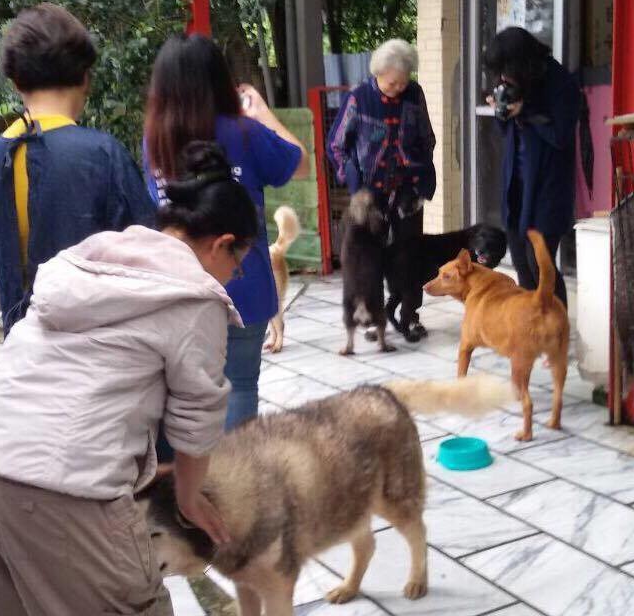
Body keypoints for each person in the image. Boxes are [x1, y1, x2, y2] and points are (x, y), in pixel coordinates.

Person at [0, 141, 257, 615]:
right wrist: (190, 498)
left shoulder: (88, 259)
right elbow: (198, 419)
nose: (232, 277)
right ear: (221, 243)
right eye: (237, 263)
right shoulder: (195, 298)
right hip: (56, 482)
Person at [143, 34, 305, 431]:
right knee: (241, 385)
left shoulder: (154, 140)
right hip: (242, 281)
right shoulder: (244, 132)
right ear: (220, 79)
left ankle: (192, 483)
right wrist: (261, 111)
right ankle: (233, 484)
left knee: (183, 394)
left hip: (176, 288)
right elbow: (298, 162)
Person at [0, 2, 156, 333]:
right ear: (85, 78)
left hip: (23, 356)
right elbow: (150, 257)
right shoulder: (103, 154)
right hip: (94, 358)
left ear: (16, 82)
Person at [483, 26, 580, 307]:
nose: (502, 78)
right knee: (521, 265)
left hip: (548, 189)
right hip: (517, 186)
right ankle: (534, 327)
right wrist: (503, 112)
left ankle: (557, 327)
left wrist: (525, 111)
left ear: (522, 64)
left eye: (505, 71)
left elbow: (560, 136)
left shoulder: (561, 84)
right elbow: (505, 134)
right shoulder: (516, 83)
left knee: (541, 265)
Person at [327, 38, 436, 243]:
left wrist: (419, 175)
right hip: (368, 194)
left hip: (407, 190)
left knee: (407, 257)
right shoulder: (358, 97)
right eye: (392, 83)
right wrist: (353, 182)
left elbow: (427, 138)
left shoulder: (414, 94)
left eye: (403, 82)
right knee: (369, 260)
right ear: (378, 72)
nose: (398, 88)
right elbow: (335, 145)